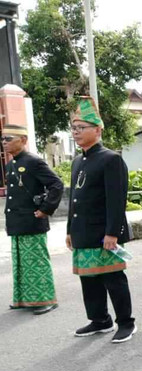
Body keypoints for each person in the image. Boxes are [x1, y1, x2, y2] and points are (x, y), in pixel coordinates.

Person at [67, 97, 136, 343]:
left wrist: (113, 233)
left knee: (113, 278)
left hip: (105, 233)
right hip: (83, 232)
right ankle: (100, 320)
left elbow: (117, 200)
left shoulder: (111, 159)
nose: (76, 132)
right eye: (74, 128)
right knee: (89, 279)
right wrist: (69, 230)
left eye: (81, 127)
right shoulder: (78, 161)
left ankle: (126, 323)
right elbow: (74, 198)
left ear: (97, 130)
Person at [2, 124, 63, 314]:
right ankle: (22, 299)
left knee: (36, 261)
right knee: (20, 262)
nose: (4, 142)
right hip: (17, 222)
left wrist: (46, 209)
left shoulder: (33, 162)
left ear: (23, 140)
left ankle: (46, 299)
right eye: (2, 139)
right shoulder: (10, 164)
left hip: (32, 220)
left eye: (8, 138)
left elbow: (56, 184)